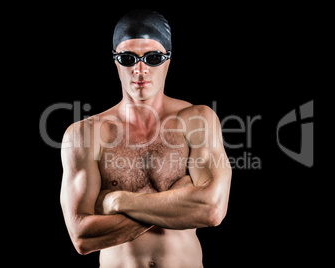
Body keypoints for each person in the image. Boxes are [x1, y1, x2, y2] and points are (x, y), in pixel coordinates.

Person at [60, 10, 232, 268]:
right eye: (128, 58)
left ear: (168, 61)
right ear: (116, 62)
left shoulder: (197, 120)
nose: (140, 70)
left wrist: (118, 201)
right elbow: (82, 236)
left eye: (153, 58)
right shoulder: (85, 134)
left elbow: (212, 209)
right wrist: (178, 199)